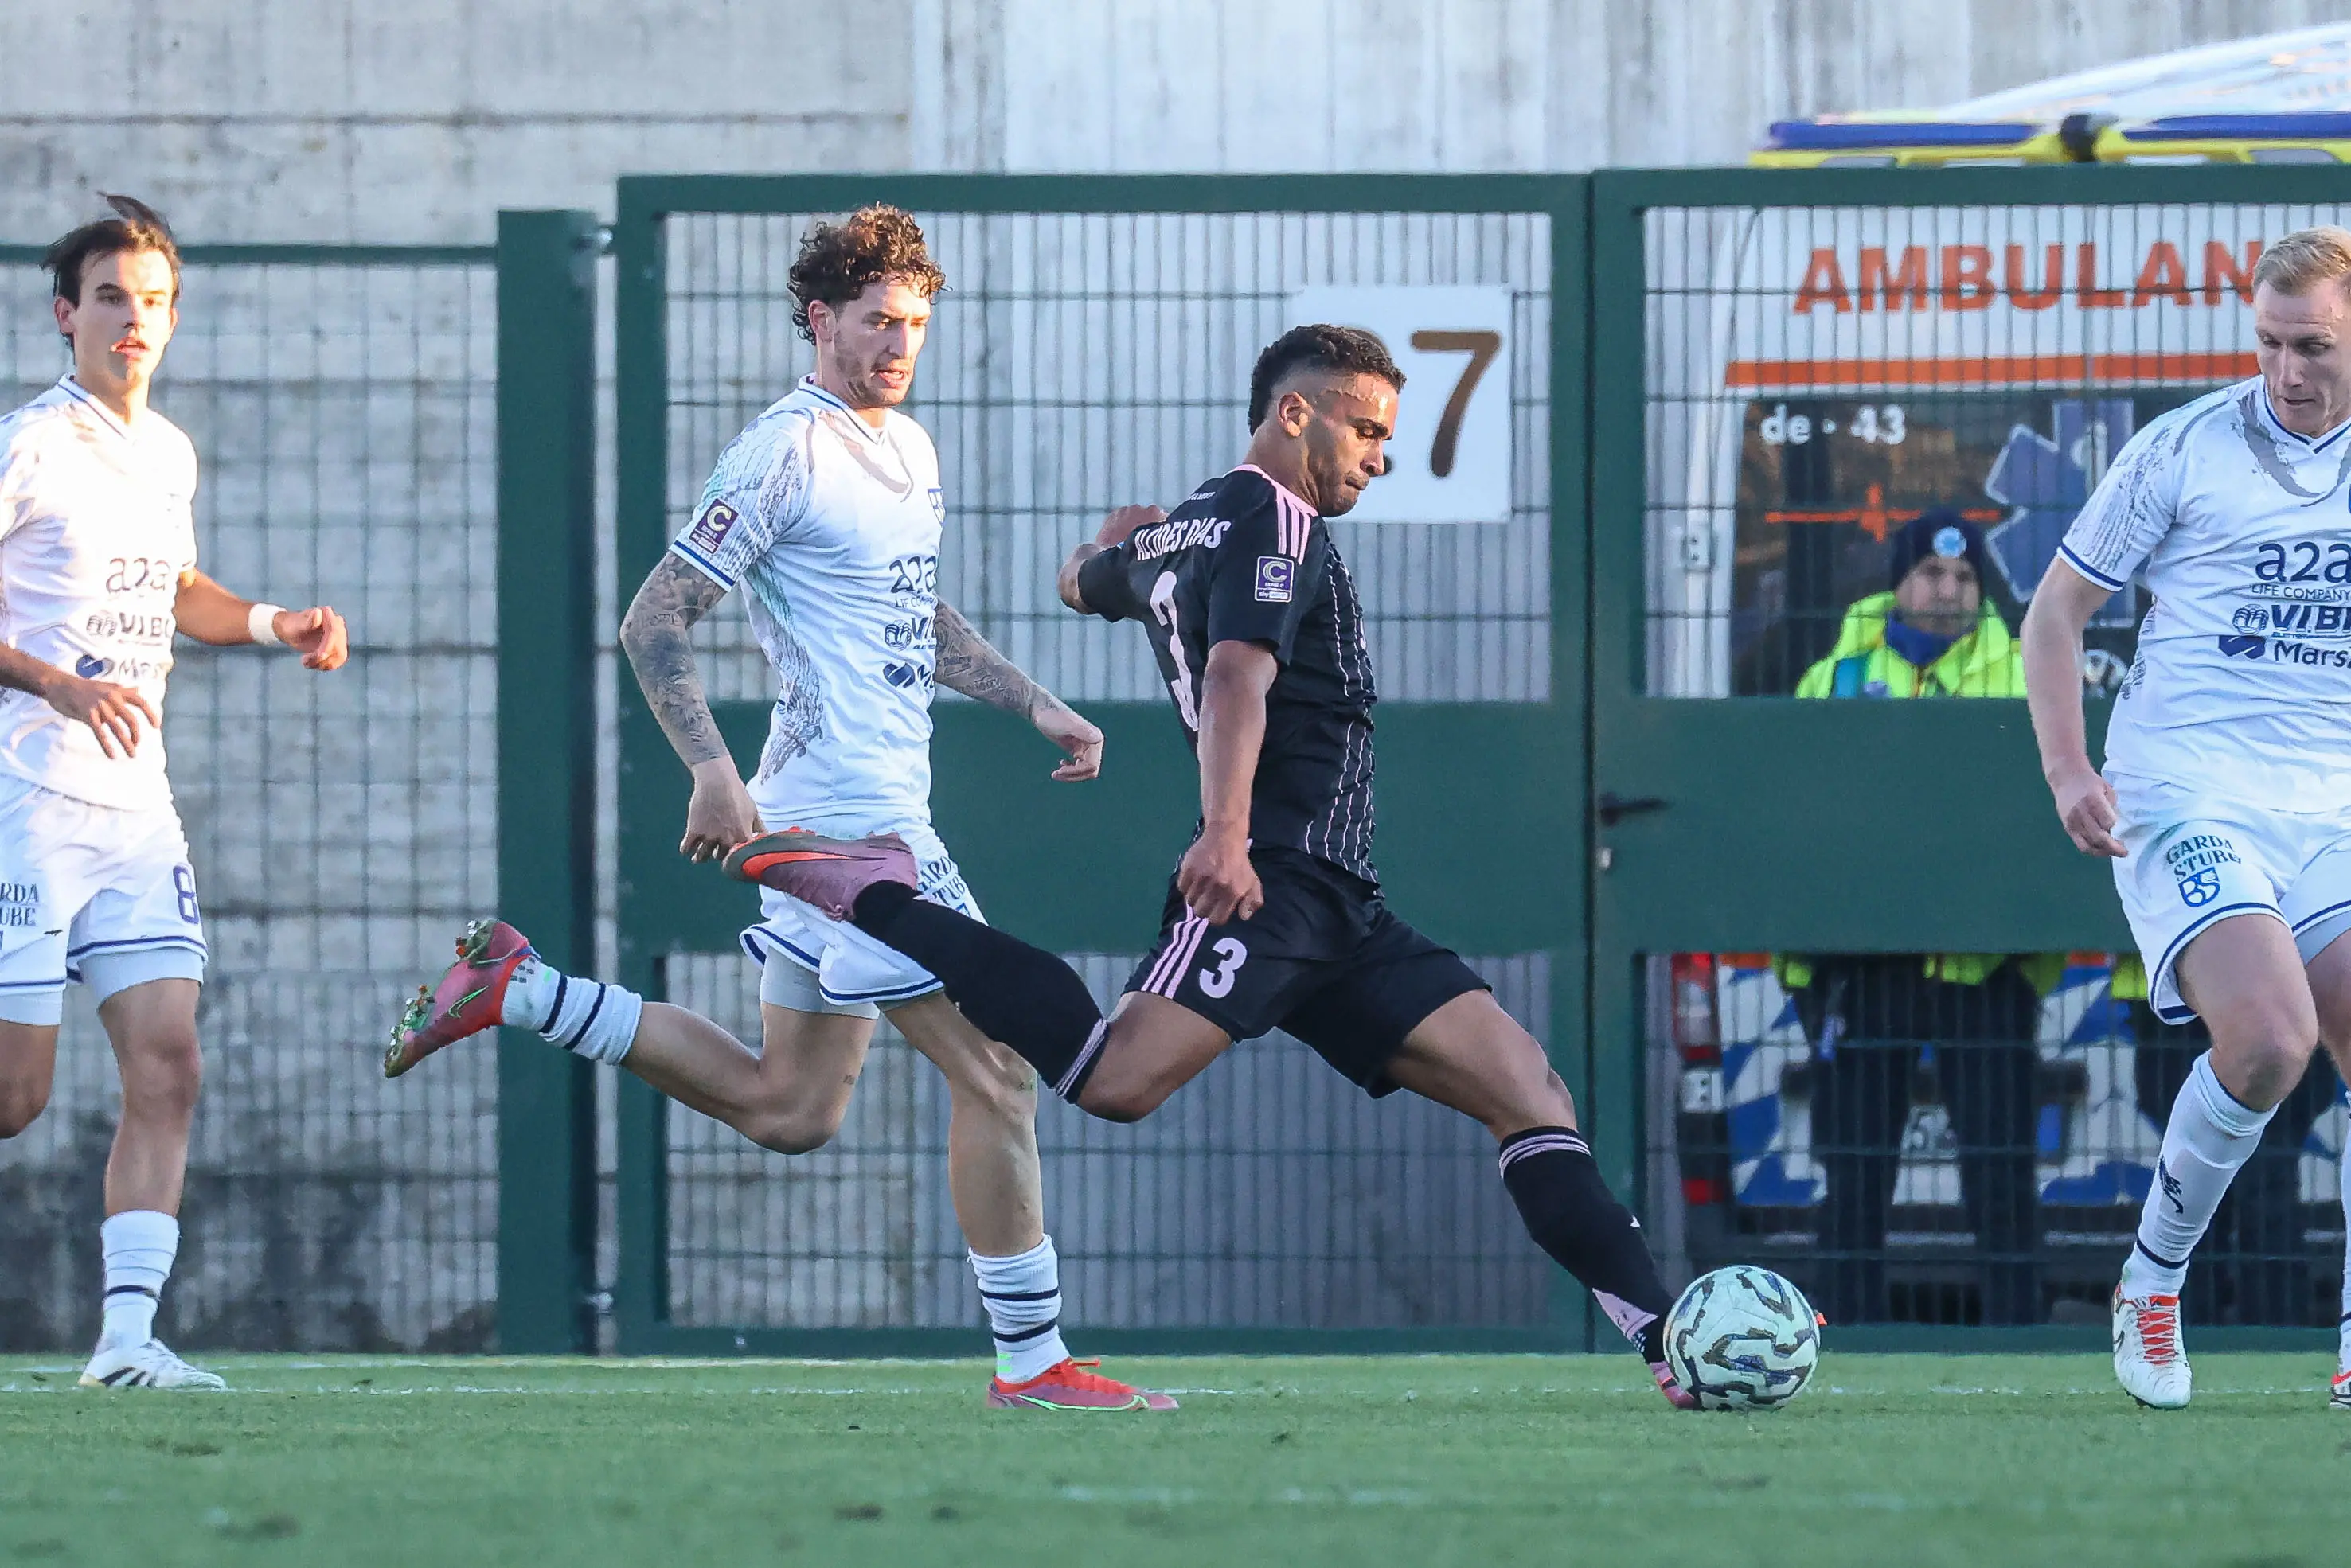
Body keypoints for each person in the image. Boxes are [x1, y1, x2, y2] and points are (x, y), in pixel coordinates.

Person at [724, 324, 1701, 1408]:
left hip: (1341, 905)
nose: (1377, 454)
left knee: (1530, 1089)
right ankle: (872, 893)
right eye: (1365, 427)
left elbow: (1081, 580)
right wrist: (1225, 835)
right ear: (1295, 413)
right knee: (1112, 1078)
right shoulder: (1275, 517)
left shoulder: (1189, 529)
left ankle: (1667, 1336)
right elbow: (1238, 673)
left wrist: (1123, 547)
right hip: (1268, 879)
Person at [385, 207, 1169, 1412]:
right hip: (848, 835)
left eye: (914, 323)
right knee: (1001, 1072)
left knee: (790, 1106)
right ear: (819, 318)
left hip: (862, 812)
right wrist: (711, 770)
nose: (898, 343)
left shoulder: (906, 447)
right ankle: (1034, 1361)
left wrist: (1032, 701)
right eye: (876, 322)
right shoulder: (780, 453)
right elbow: (654, 619)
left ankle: (523, 989)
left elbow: (917, 616)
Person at [0, 196, 350, 1390]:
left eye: (153, 300)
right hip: (28, 800)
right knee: (14, 1096)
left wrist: (269, 621)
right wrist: (51, 680)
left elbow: (173, 587)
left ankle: (127, 1340)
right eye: (111, 296)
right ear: (66, 313)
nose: (133, 319)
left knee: (169, 1061)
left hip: (136, 811)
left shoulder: (167, 451)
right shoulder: (33, 442)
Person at [2022, 224, 2351, 1409]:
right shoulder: (2182, 449)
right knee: (2269, 1039)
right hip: (2188, 787)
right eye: (2266, 341)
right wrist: (2069, 770)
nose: (2284, 369)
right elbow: (2053, 615)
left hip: (2332, 801)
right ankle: (2151, 1280)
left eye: (2309, 344)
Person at [1781, 509, 2048, 1326]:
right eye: (1932, 574)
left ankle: (2018, 1335)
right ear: (1896, 583)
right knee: (1853, 1171)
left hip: (1985, 967)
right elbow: (1796, 821)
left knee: (2001, 1172)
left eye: (1965, 577)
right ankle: (1842, 1334)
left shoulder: (2024, 675)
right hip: (1868, 966)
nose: (1948, 588)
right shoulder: (1831, 678)